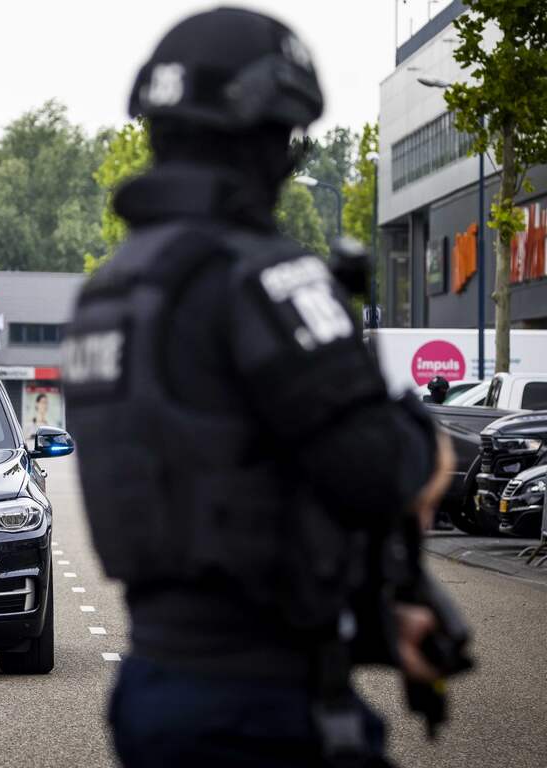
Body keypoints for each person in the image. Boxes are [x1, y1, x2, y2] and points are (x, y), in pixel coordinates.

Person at [63, 9, 456, 767]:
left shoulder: (110, 293)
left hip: (155, 688)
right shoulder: (260, 276)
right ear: (265, 136)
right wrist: (427, 448)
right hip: (263, 710)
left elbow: (225, 485)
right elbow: (377, 468)